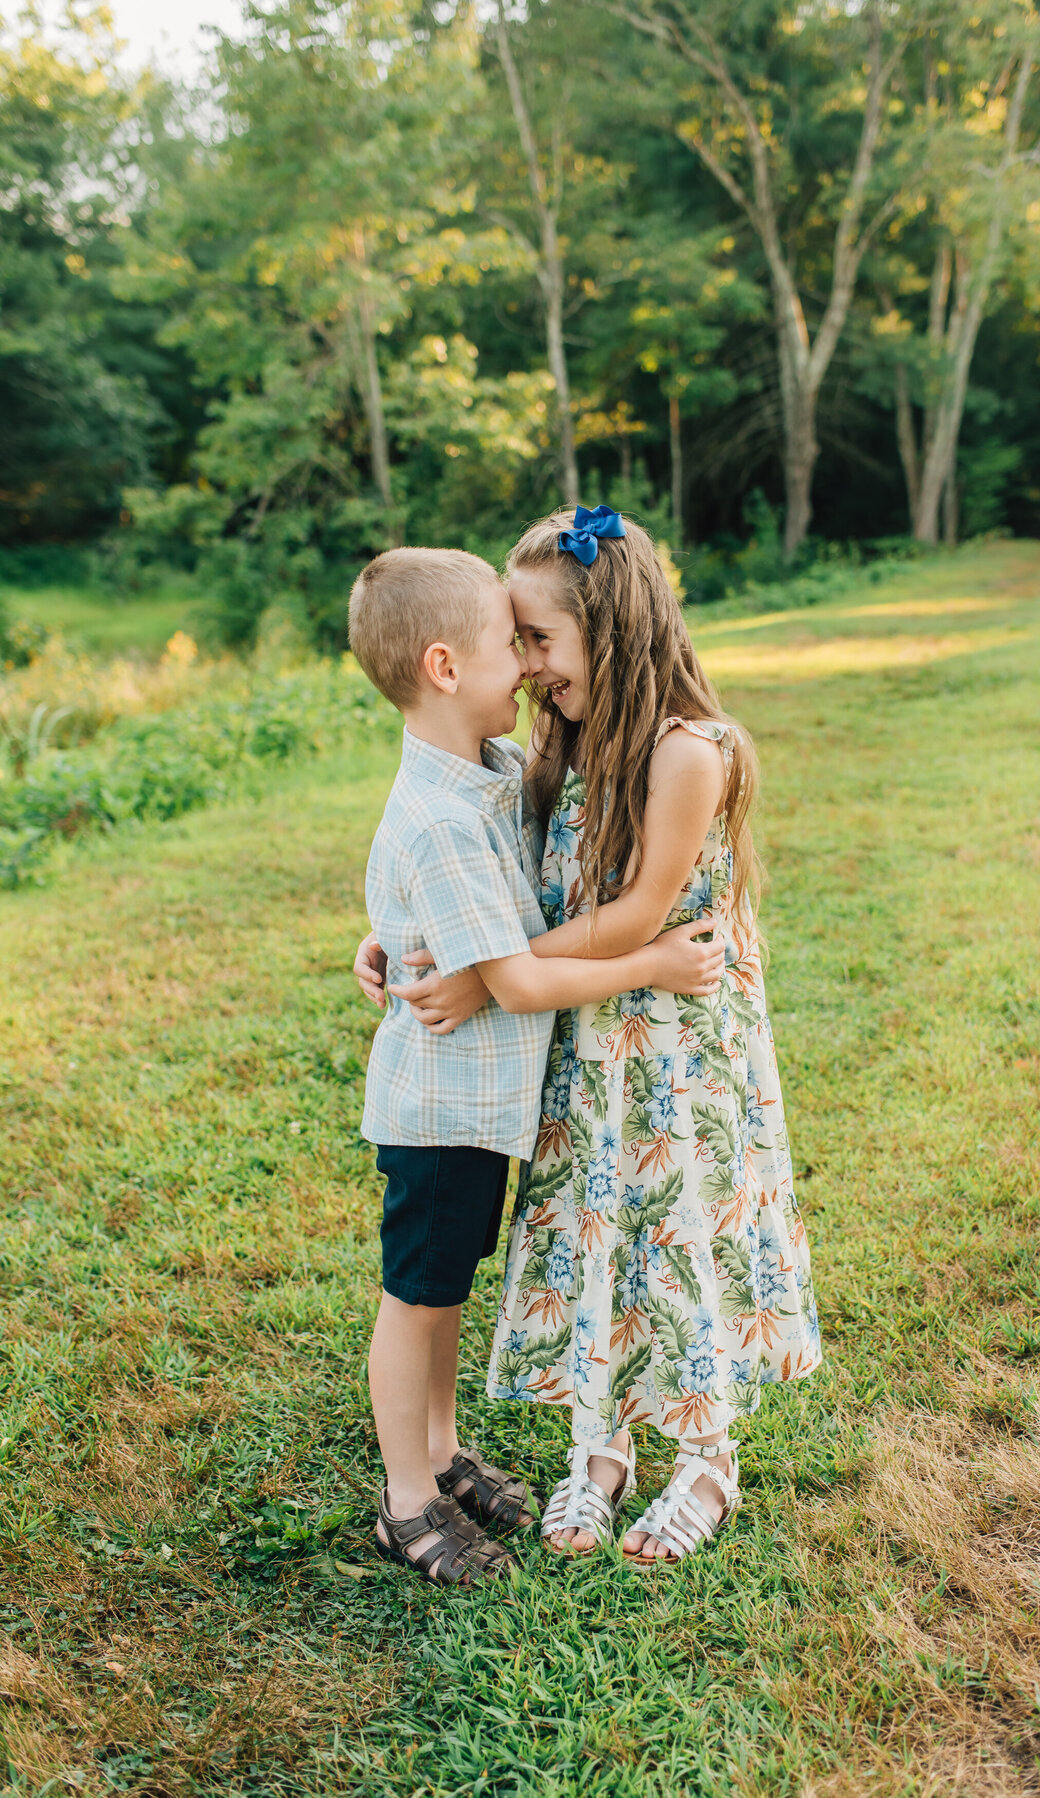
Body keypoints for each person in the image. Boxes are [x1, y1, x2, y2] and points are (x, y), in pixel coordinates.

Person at [356, 508, 820, 1566]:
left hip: (668, 1047)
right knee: (597, 1235)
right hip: (580, 1045)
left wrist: (485, 983)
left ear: (605, 636)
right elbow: (461, 862)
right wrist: (396, 938)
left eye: (538, 640)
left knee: (680, 1233)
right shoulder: (547, 752)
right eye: (511, 641)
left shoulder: (692, 752)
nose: (523, 666)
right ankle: (601, 1446)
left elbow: (642, 913)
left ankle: (706, 1454)